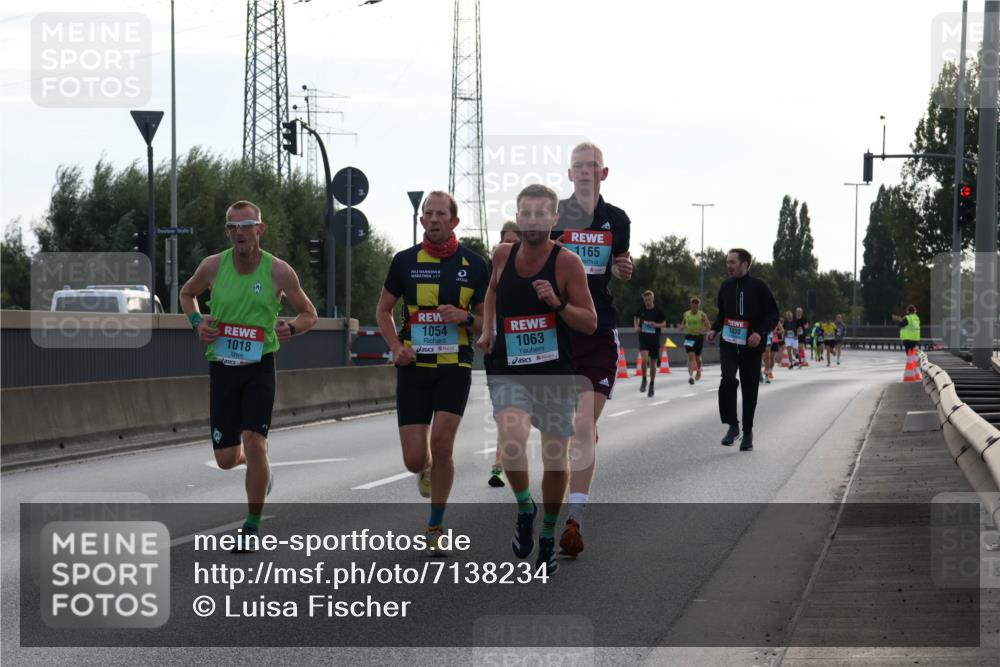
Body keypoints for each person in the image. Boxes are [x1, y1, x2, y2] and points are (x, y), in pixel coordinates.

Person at [180, 200, 318, 552]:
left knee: (255, 441)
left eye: (246, 225)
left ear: (260, 229)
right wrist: (197, 322)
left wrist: (292, 328)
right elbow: (187, 294)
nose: (239, 233)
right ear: (227, 232)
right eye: (232, 227)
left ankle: (252, 525)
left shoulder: (279, 271)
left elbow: (309, 314)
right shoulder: (212, 267)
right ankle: (261, 468)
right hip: (223, 366)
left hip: (259, 365)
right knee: (227, 458)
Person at [477, 183, 597, 575]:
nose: (532, 220)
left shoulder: (567, 263)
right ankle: (525, 507)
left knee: (554, 461)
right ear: (517, 214)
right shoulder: (502, 254)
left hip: (553, 373)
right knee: (512, 443)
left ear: (554, 217)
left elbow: (590, 322)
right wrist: (489, 328)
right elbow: (492, 290)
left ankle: (547, 532)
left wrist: (557, 304)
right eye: (525, 213)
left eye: (540, 213)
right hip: (509, 369)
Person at [375, 190, 489, 554]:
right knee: (414, 459)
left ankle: (436, 526)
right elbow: (383, 311)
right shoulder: (404, 261)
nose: (435, 219)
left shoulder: (475, 264)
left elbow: (488, 324)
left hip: (454, 366)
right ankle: (424, 469)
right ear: (422, 221)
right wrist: (396, 348)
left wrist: (466, 317)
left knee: (442, 443)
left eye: (442, 213)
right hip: (414, 367)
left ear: (454, 221)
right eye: (429, 214)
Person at [550, 142, 633, 557]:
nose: (585, 171)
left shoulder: (617, 220)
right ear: (570, 174)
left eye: (592, 166)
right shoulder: (553, 216)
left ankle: (574, 521)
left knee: (583, 425)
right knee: (565, 431)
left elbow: (620, 264)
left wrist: (623, 267)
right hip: (560, 331)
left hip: (599, 331)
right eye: (578, 166)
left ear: (604, 173)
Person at [706, 248, 779, 452]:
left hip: (751, 345)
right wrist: (714, 329)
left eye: (732, 262)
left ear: (745, 264)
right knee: (727, 381)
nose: (728, 266)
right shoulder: (725, 286)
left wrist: (760, 333)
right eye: (727, 262)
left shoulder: (759, 287)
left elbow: (773, 315)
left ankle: (747, 432)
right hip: (729, 343)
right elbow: (722, 314)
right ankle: (732, 425)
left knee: (749, 388)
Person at [487, 221, 522, 489]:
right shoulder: (492, 275)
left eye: (513, 242)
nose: (508, 246)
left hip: (531, 355)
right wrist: (486, 330)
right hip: (499, 355)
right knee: (504, 415)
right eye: (504, 241)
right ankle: (499, 466)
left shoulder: (532, 271)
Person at [634, 290, 667, 396]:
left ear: (653, 299)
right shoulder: (641, 309)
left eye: (649, 300)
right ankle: (644, 379)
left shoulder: (658, 310)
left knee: (653, 363)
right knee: (644, 359)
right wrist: (636, 326)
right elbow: (636, 317)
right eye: (646, 300)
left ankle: (652, 384)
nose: (647, 302)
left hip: (654, 339)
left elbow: (664, 324)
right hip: (643, 338)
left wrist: (655, 325)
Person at [682, 297, 712, 385]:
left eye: (696, 305)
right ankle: (691, 376)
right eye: (693, 304)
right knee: (690, 357)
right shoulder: (686, 314)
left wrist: (701, 330)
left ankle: (698, 370)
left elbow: (708, 327)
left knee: (697, 358)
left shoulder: (702, 315)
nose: (694, 306)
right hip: (688, 337)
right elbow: (683, 323)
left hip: (698, 337)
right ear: (691, 305)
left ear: (698, 306)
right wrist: (682, 326)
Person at [892, 304, 921, 371]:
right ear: (914, 311)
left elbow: (901, 324)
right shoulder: (916, 318)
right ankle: (915, 366)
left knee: (909, 354)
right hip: (915, 338)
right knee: (913, 353)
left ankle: (911, 368)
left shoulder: (908, 318)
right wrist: (901, 319)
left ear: (908, 311)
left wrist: (897, 320)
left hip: (908, 338)